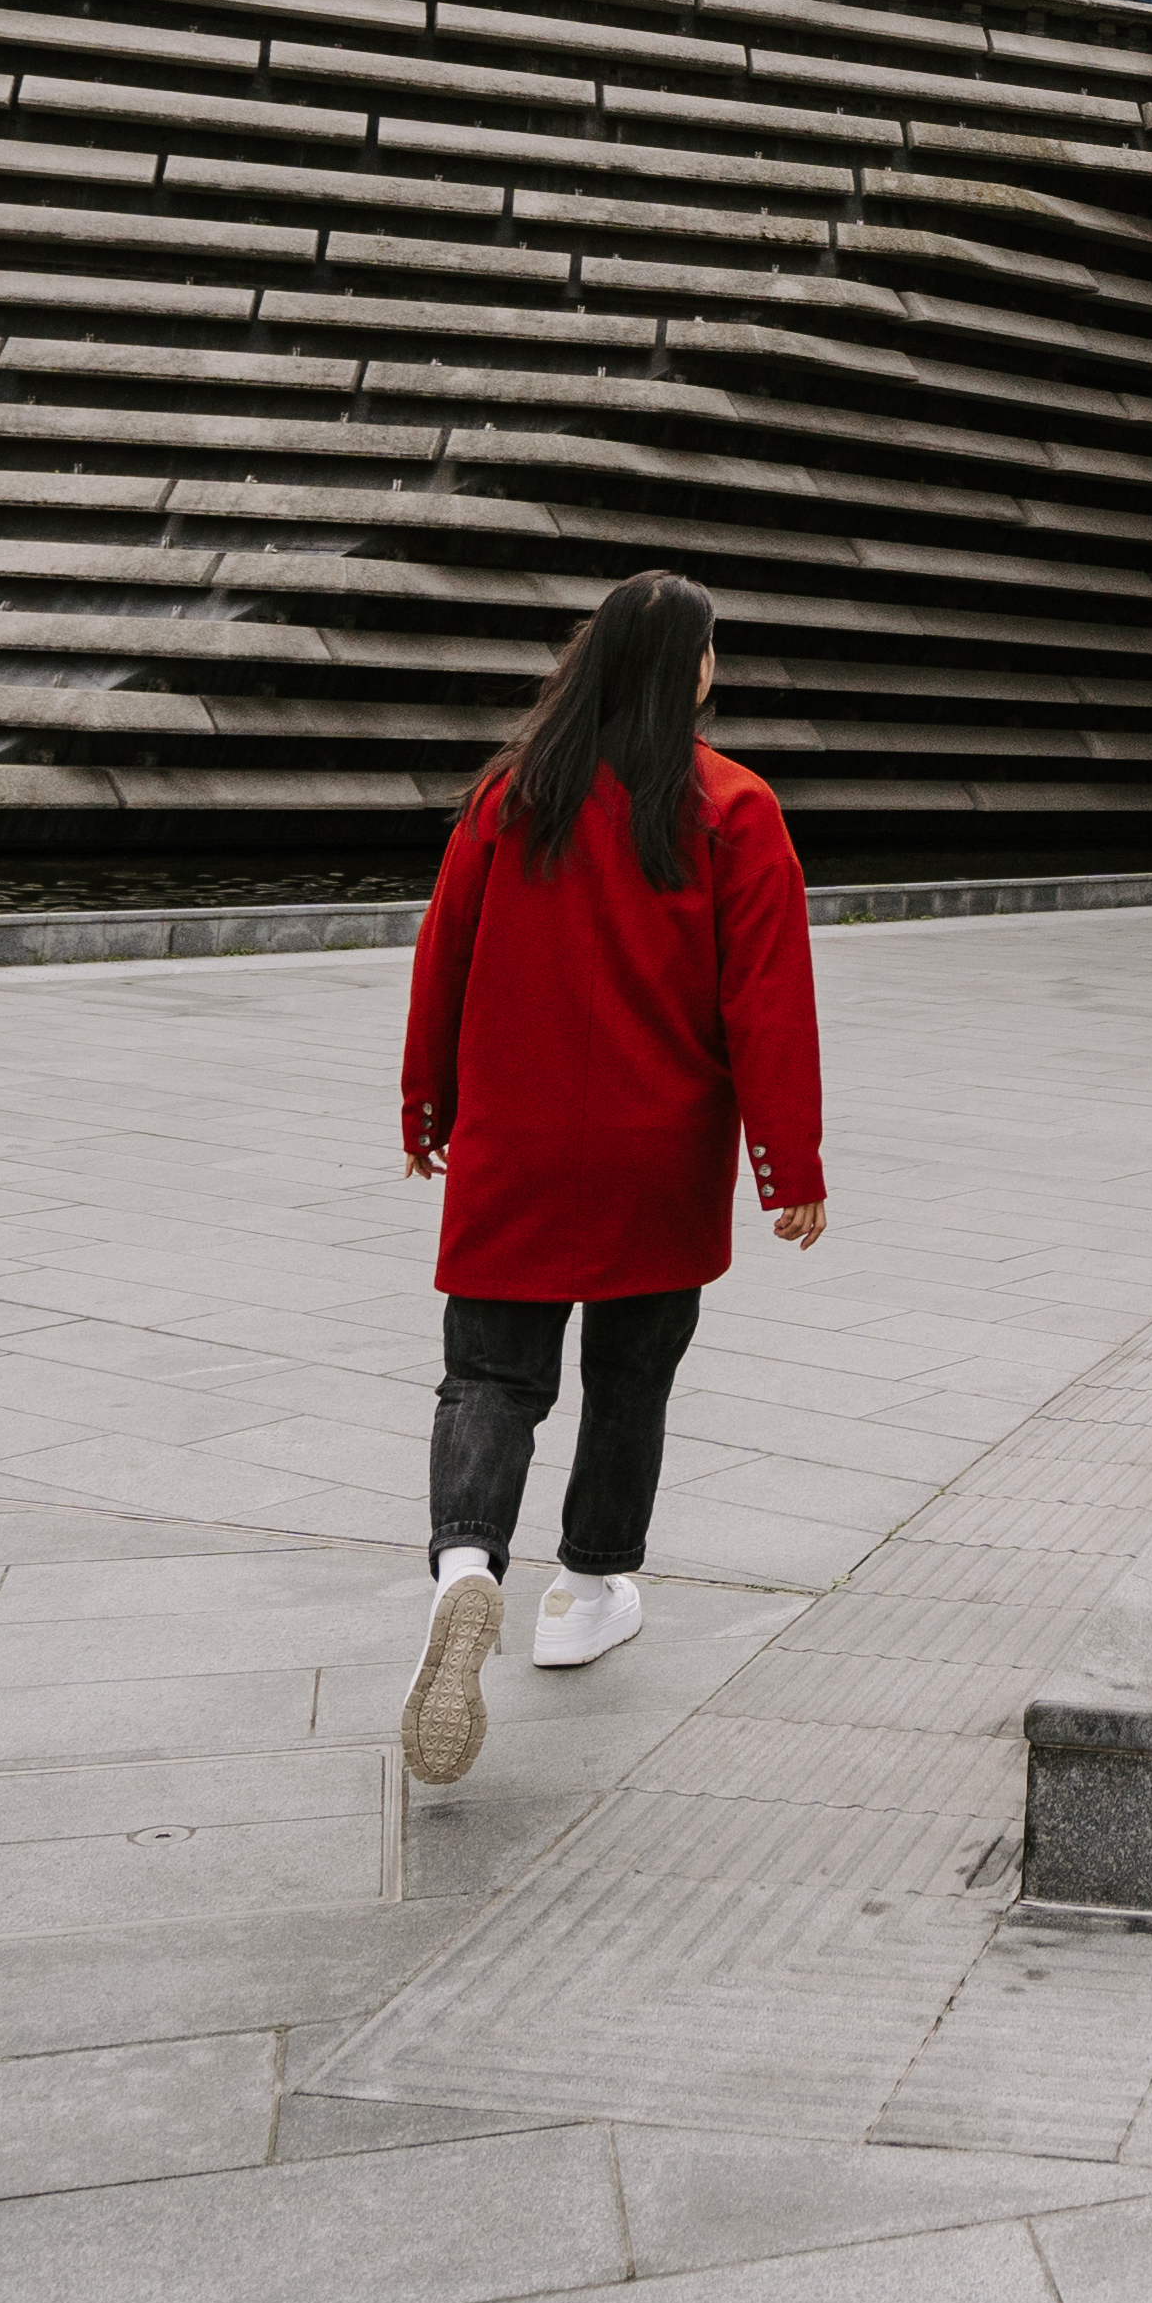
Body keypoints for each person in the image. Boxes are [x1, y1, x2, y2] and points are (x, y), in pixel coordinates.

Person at [391, 569, 823, 1791]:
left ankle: (467, 1567)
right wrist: (789, 1165)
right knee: (629, 1383)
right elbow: (769, 1005)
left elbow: (445, 960)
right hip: (656, 1152)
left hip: (515, 1148)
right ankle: (583, 1591)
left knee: (487, 1377)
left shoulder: (509, 797)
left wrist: (429, 1105)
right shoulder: (734, 808)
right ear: (684, 669)